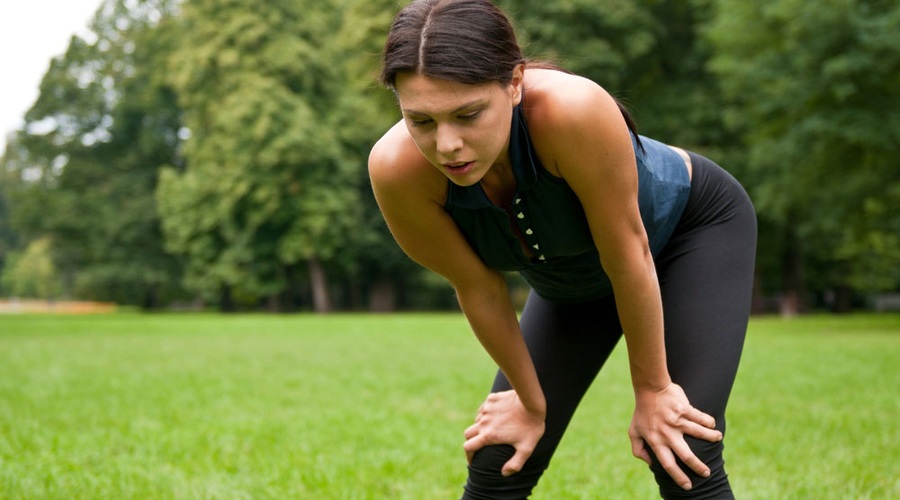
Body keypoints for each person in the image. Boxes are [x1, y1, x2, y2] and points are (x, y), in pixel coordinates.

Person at [368, 0, 757, 498]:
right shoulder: (398, 171)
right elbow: (479, 287)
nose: (447, 145)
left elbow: (629, 253)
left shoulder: (571, 111)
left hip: (688, 233)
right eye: (420, 121)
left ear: (514, 83)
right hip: (571, 277)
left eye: (467, 115)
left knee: (680, 444)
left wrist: (654, 390)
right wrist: (529, 403)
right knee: (500, 454)